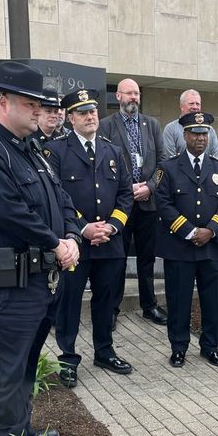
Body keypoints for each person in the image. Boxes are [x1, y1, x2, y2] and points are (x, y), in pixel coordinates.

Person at [0, 61, 81, 436]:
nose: (38, 112)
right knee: (10, 365)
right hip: (7, 285)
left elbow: (61, 198)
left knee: (26, 361)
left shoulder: (31, 150)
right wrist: (56, 244)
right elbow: (9, 212)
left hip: (38, 281)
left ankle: (21, 431)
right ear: (3, 102)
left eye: (40, 105)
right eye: (30, 104)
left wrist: (72, 235)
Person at [46, 89, 134, 385]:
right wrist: (84, 227)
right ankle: (68, 358)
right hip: (76, 243)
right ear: (70, 118)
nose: (89, 116)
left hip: (110, 242)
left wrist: (112, 226)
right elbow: (57, 196)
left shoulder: (113, 151)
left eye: (93, 111)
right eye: (82, 112)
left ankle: (104, 351)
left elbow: (125, 194)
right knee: (70, 301)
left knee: (106, 300)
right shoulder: (56, 151)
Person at [154, 112, 218, 369]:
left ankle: (210, 347)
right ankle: (178, 348)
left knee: (212, 300)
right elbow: (163, 203)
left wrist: (210, 230)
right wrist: (190, 231)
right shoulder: (168, 168)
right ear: (185, 135)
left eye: (204, 134)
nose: (201, 138)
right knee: (179, 301)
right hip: (180, 247)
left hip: (211, 247)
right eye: (195, 133)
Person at [99, 78, 168, 327]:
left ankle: (149, 306)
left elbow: (163, 163)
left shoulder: (152, 125)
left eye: (137, 93)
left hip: (148, 203)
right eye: (129, 93)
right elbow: (102, 164)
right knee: (117, 258)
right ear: (118, 96)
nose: (134, 98)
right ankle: (112, 308)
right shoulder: (106, 126)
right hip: (121, 205)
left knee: (146, 258)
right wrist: (126, 189)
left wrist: (150, 186)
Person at [162, 89, 218, 159]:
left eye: (197, 104)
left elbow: (216, 158)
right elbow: (170, 160)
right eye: (191, 103)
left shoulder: (210, 129)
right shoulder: (171, 129)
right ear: (181, 106)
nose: (195, 107)